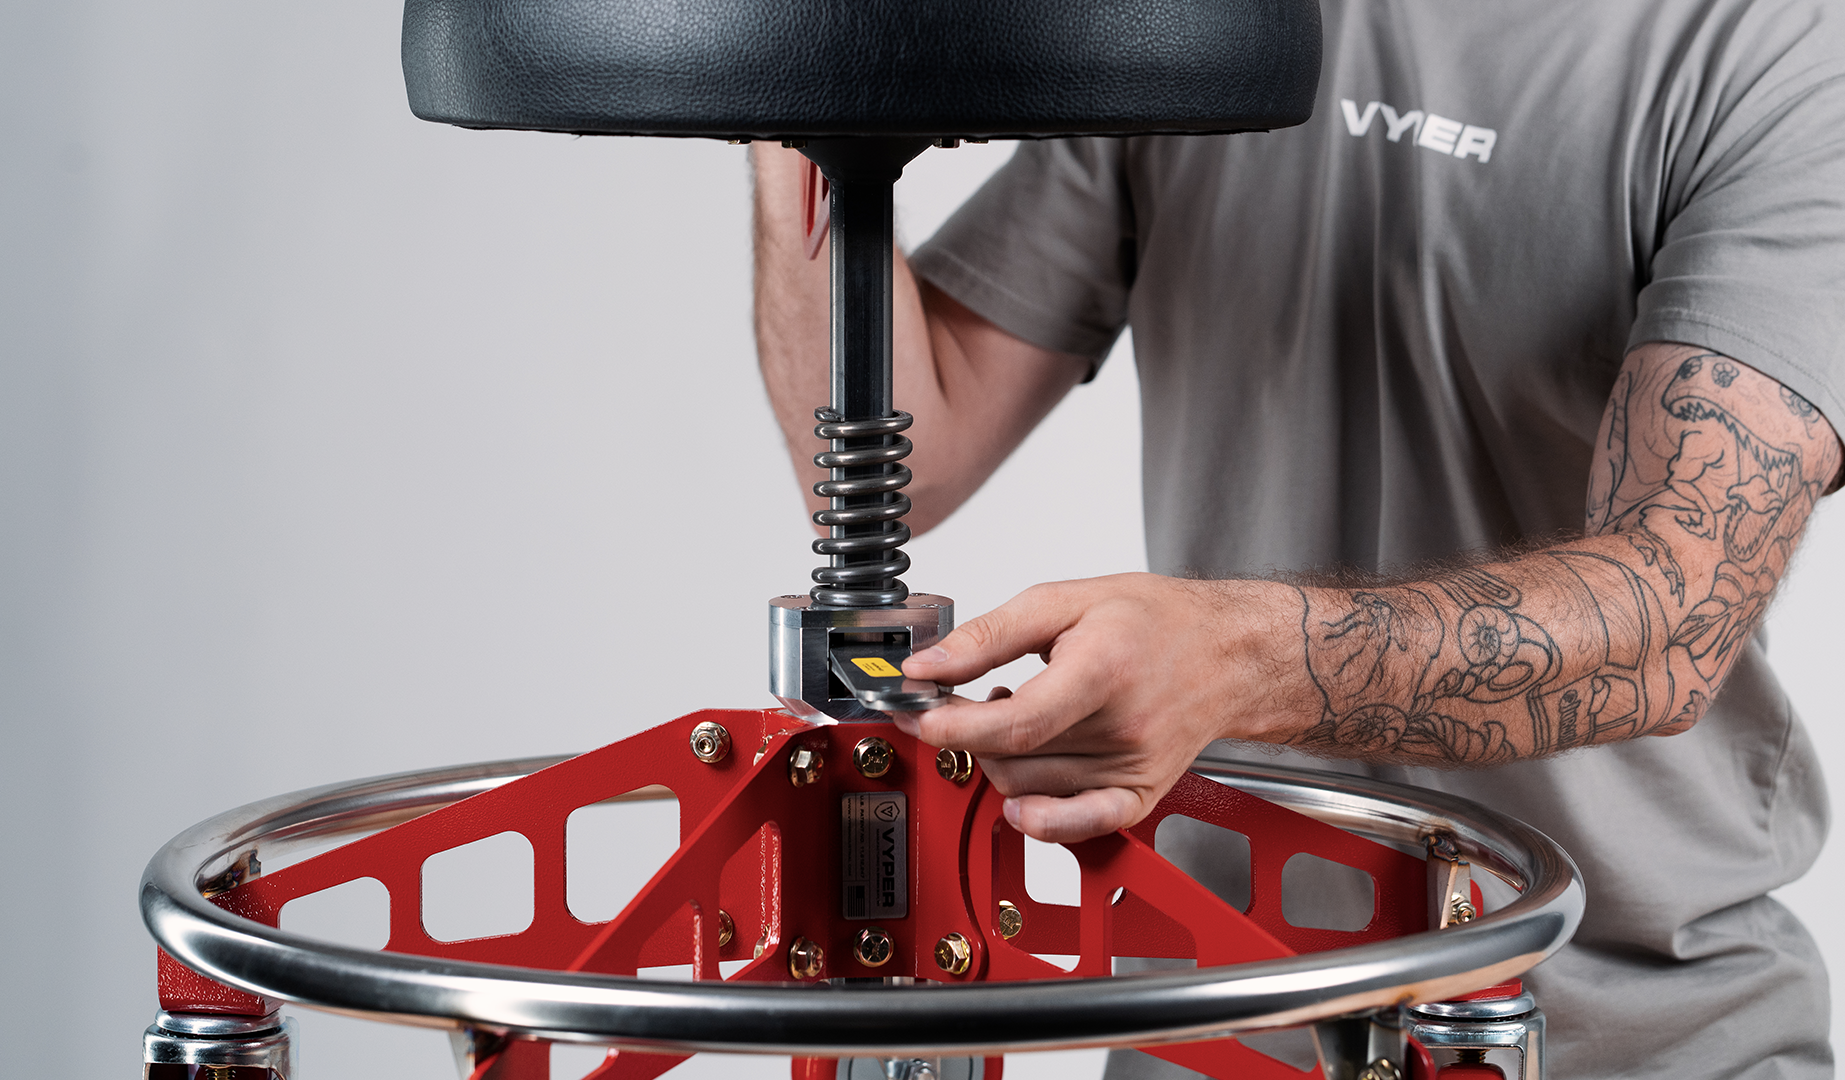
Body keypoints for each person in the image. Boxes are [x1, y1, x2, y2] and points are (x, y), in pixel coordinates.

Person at [751, 0, 1845, 1076]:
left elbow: (1676, 620)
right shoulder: (1190, 20)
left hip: (1633, 1031)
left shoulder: (1776, 56)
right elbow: (908, 435)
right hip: (1215, 1009)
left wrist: (1234, 662)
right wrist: (782, 78)